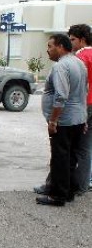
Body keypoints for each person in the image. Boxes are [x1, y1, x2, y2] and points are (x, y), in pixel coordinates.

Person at [34, 25, 92, 196]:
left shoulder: (63, 65)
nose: (47, 51)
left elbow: (61, 95)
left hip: (65, 119)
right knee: (74, 154)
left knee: (60, 156)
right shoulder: (79, 64)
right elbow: (84, 91)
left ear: (60, 46)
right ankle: (71, 189)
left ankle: (58, 193)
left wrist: (53, 121)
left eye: (50, 46)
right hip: (78, 117)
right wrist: (83, 119)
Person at [68, 24, 92, 191]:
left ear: (82, 40)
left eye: (73, 40)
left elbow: (75, 84)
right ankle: (85, 182)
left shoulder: (81, 56)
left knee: (75, 147)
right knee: (87, 146)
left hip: (84, 104)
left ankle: (75, 184)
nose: (71, 43)